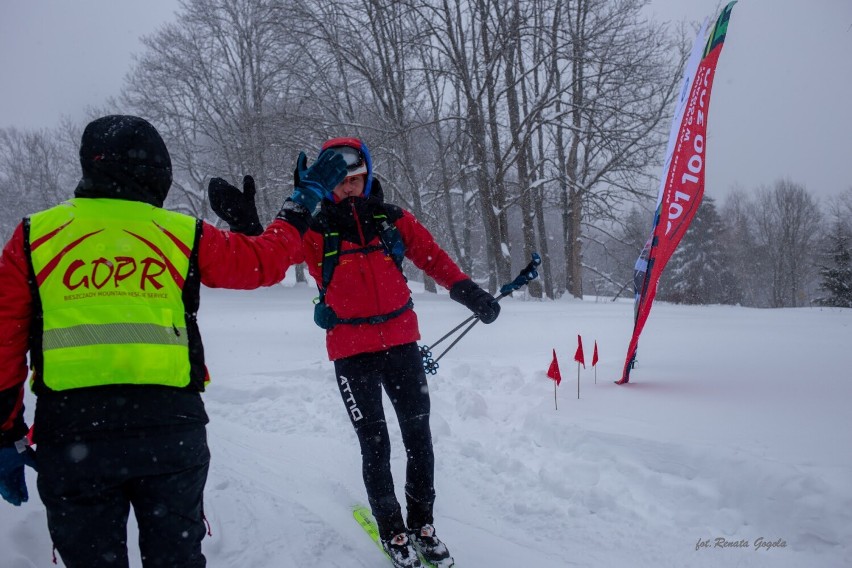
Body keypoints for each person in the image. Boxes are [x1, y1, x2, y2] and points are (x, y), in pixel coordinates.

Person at [0, 114, 346, 567]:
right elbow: (263, 263)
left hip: (73, 434)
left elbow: (4, 342)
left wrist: (5, 432)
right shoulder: (180, 234)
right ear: (158, 169)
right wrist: (303, 199)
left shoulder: (33, 236)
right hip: (170, 432)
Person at [302, 137, 500, 568]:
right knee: (375, 445)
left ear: (367, 176)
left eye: (356, 179)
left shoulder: (392, 220)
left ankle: (423, 525)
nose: (349, 188)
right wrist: (246, 229)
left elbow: (433, 258)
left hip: (402, 346)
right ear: (325, 182)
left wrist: (472, 294)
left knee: (419, 440)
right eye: (340, 181)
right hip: (351, 354)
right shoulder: (315, 230)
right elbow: (269, 256)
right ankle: (392, 530)